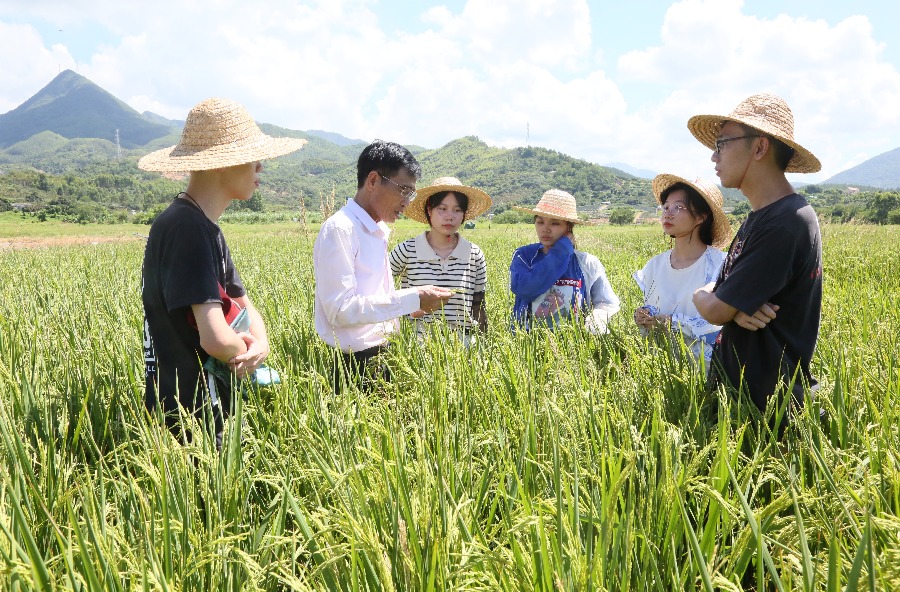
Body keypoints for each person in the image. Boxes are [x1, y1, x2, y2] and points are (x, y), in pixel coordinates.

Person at [139, 97, 306, 447]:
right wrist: (249, 352)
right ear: (220, 164)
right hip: (190, 413)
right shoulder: (186, 228)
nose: (260, 166)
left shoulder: (204, 226)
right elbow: (215, 338)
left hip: (197, 401)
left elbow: (243, 304)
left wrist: (259, 344)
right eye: (252, 157)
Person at [688, 93, 823, 428]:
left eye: (722, 144)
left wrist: (715, 300)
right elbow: (720, 289)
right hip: (741, 403)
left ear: (760, 148)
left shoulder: (786, 222)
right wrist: (719, 297)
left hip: (768, 414)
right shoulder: (759, 218)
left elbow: (717, 310)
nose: (713, 157)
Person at [313, 140, 452, 390]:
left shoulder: (376, 230)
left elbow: (371, 298)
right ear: (374, 181)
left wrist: (408, 308)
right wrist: (413, 298)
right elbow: (341, 309)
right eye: (403, 190)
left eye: (411, 193)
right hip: (354, 364)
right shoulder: (341, 229)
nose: (407, 202)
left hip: (383, 352)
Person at [633, 175, 732, 372]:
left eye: (678, 207)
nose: (668, 214)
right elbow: (653, 310)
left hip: (707, 374)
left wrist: (673, 323)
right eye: (666, 207)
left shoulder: (721, 265)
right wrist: (643, 316)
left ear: (701, 217)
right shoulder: (654, 265)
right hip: (659, 372)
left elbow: (723, 324)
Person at [389, 177, 492, 341]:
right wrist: (408, 304)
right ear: (429, 210)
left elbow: (478, 305)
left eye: (457, 210)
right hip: (419, 345)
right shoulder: (408, 250)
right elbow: (376, 288)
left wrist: (485, 347)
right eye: (442, 208)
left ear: (464, 214)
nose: (450, 216)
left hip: (464, 346)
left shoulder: (474, 254)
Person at [509, 189, 620, 332]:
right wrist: (560, 252)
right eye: (540, 222)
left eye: (555, 223)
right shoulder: (524, 256)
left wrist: (596, 321)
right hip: (529, 346)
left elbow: (606, 302)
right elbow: (525, 290)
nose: (545, 229)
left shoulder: (587, 263)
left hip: (571, 347)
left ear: (569, 226)